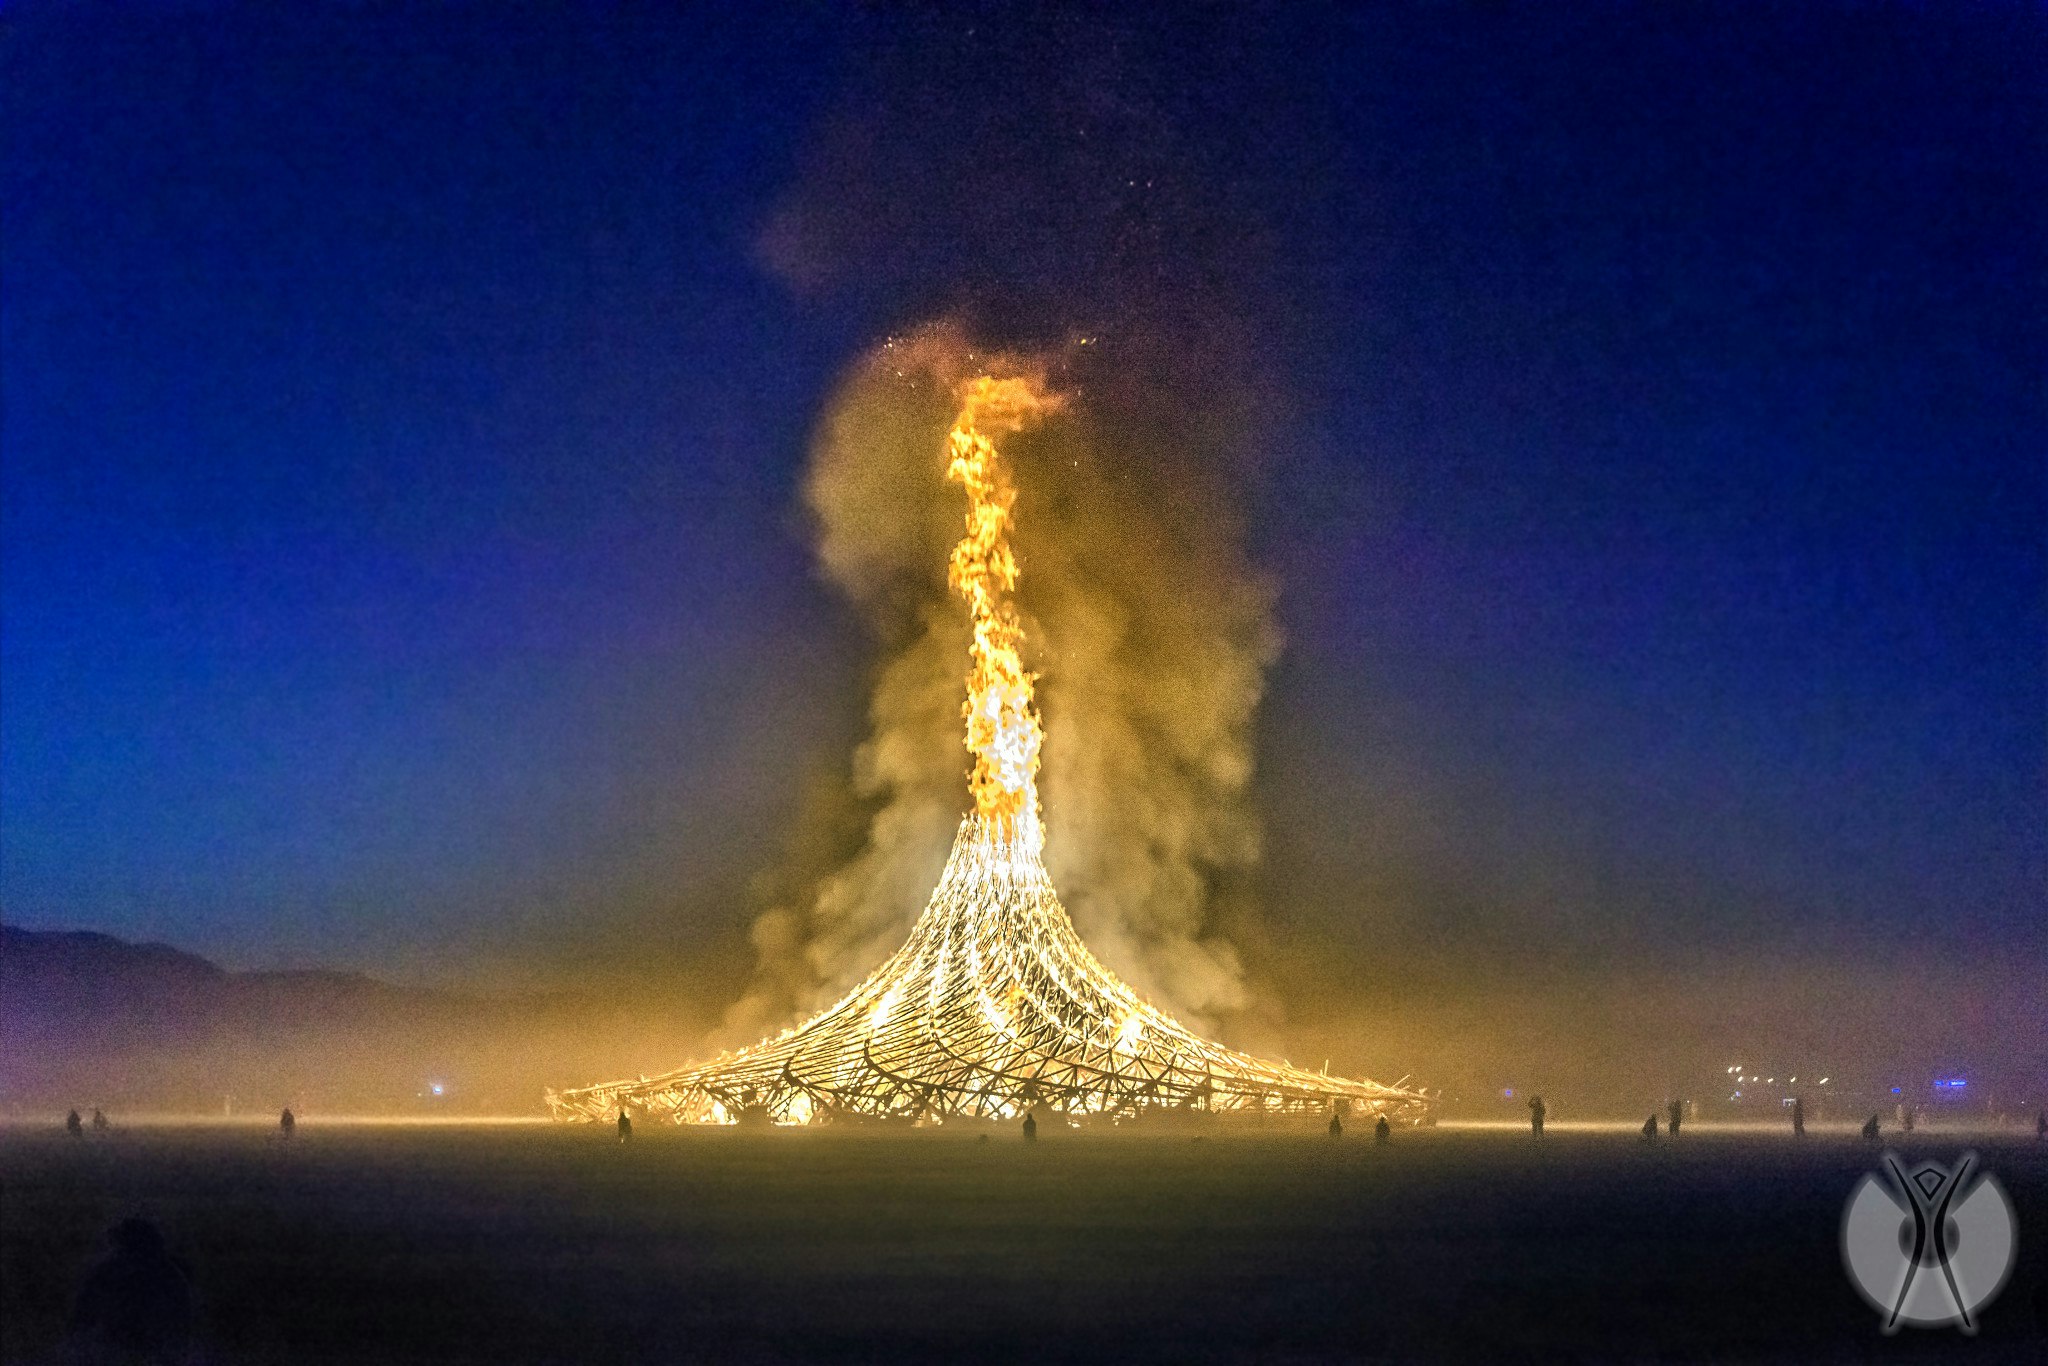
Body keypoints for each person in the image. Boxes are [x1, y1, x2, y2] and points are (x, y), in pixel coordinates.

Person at [68, 1217, 192, 1365]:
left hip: (122, 1345)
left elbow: (82, 1311)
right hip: (145, 1345)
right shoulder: (169, 1271)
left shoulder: (106, 1271)